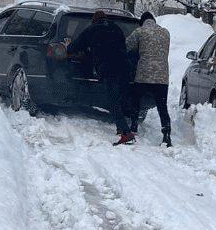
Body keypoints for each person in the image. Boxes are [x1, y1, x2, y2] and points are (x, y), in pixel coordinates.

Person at [63, 10, 135, 145]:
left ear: (94, 20)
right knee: (121, 98)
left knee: (112, 101)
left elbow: (75, 47)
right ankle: (121, 128)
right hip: (125, 66)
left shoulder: (92, 29)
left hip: (109, 68)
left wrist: (68, 46)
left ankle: (126, 134)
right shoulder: (116, 28)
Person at [125, 11, 173, 147]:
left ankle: (134, 126)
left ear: (142, 21)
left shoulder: (139, 31)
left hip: (143, 74)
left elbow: (126, 46)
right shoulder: (166, 32)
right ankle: (167, 135)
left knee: (136, 101)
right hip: (162, 76)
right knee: (162, 107)